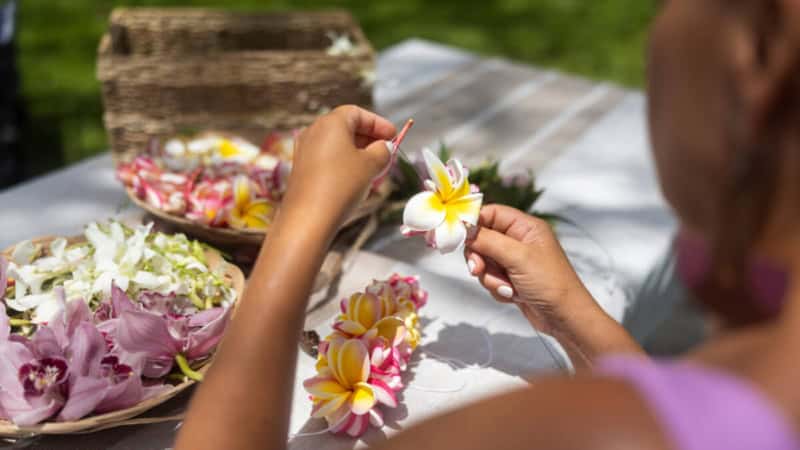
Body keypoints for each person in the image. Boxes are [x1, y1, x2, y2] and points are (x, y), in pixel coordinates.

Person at [174, 0, 800, 448]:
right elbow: (690, 409)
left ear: (760, 66)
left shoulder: (567, 431)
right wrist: (571, 313)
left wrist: (302, 219)